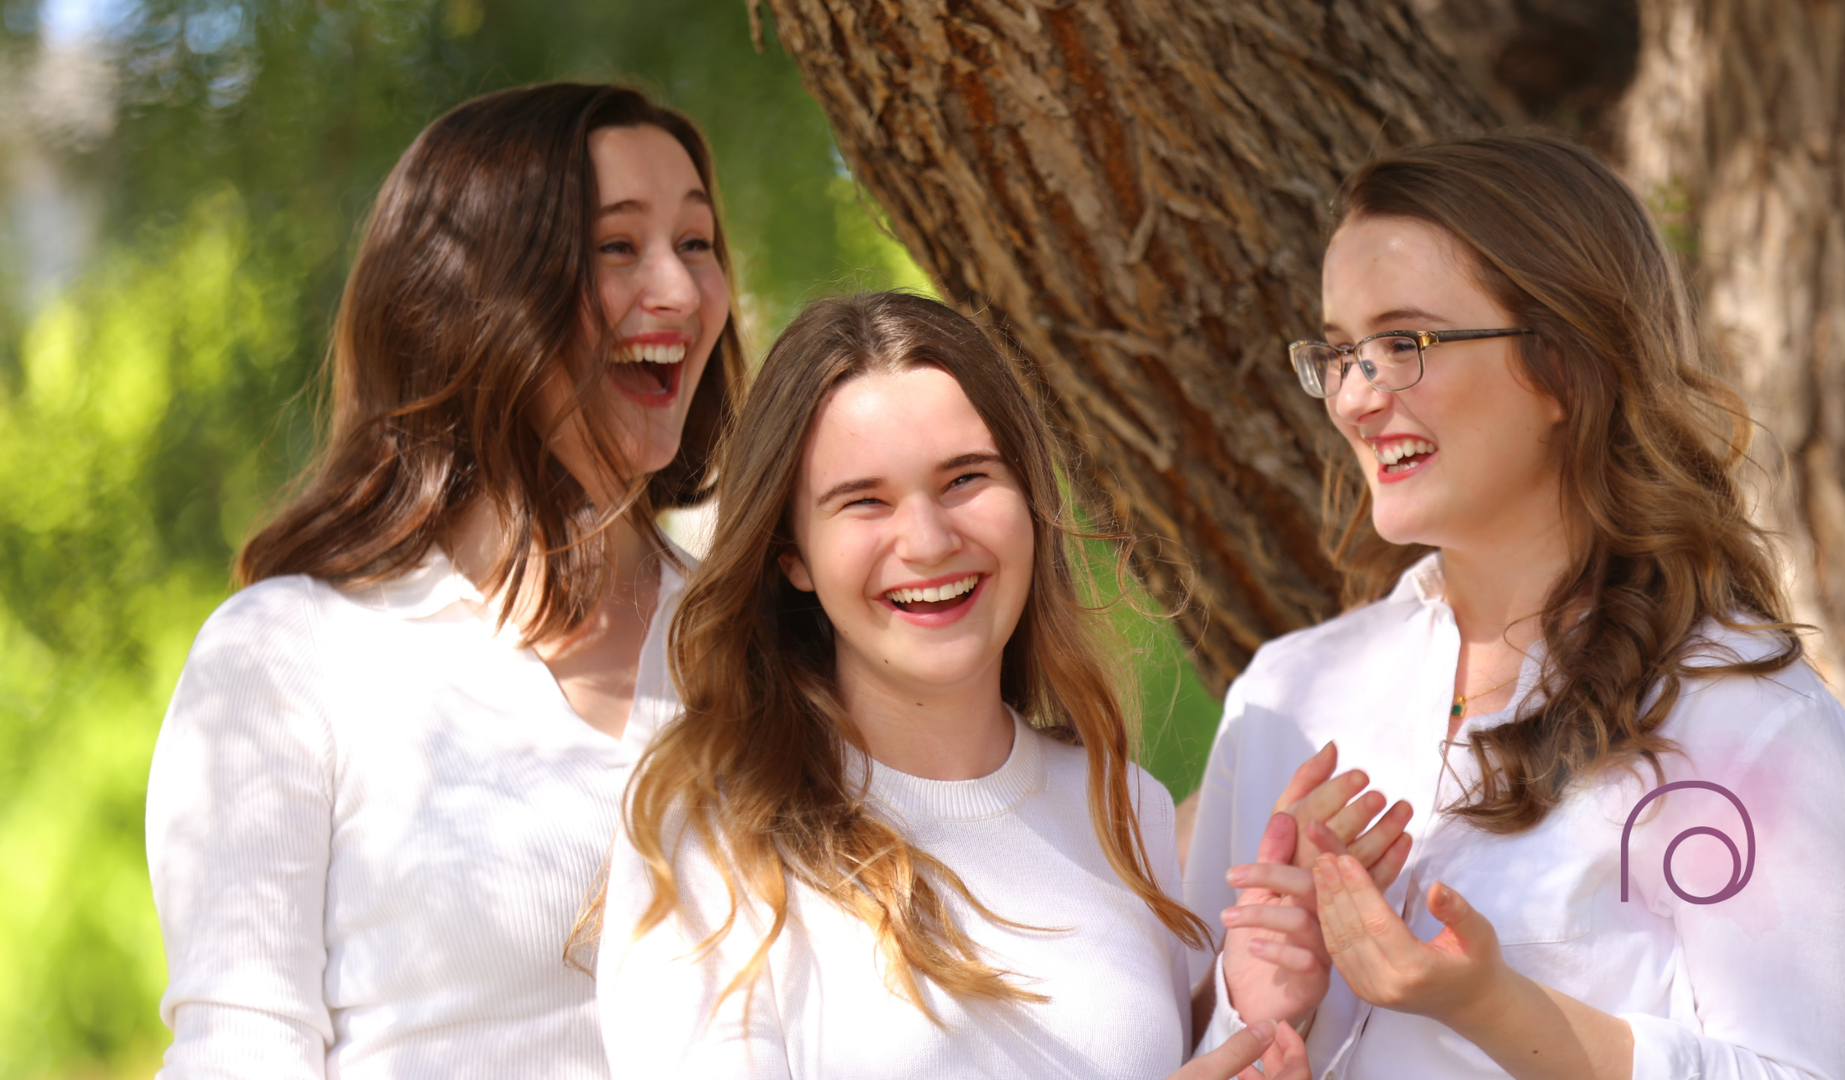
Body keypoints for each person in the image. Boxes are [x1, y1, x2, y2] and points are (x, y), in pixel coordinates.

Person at [1184, 132, 1845, 1080]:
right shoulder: (1289, 697)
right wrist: (1263, 1005)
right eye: (1343, 351)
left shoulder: (1748, 727)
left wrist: (1494, 1005)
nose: (1354, 397)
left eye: (1404, 343)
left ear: (1564, 364)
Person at [144, 82, 744, 1078]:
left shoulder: (759, 635)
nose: (679, 292)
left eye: (695, 242)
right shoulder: (290, 656)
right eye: (616, 246)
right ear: (479, 295)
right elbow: (239, 1048)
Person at [595, 291, 1323, 1080]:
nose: (931, 541)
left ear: (1032, 502)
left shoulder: (1124, 806)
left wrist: (1251, 1013)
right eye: (863, 501)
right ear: (791, 554)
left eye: (965, 479)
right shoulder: (710, 833)